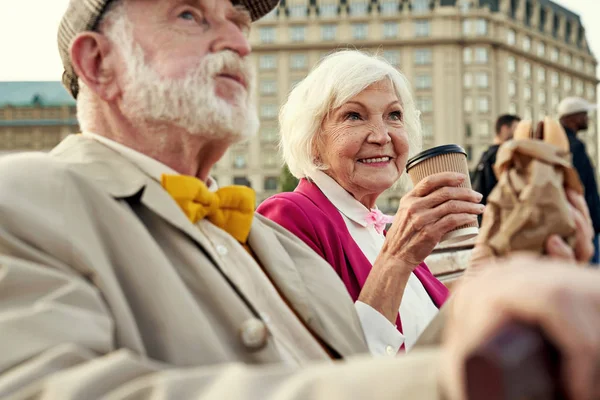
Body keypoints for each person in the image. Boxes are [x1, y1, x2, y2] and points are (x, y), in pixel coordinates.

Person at [0, 1, 597, 399]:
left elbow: (354, 366)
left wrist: (506, 289)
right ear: (98, 63)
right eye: (191, 14)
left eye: (237, 19)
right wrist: (447, 380)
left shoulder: (270, 240)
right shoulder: (24, 200)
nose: (236, 39)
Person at [257, 51, 592, 351]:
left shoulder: (390, 227)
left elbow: (450, 345)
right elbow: (322, 366)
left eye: (394, 115)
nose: (382, 135)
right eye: (354, 116)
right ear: (313, 140)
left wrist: (519, 267)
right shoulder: (288, 214)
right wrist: (397, 258)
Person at [559, 97, 600, 264]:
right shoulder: (574, 146)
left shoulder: (561, 142)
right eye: (584, 115)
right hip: (585, 226)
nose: (587, 118)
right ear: (571, 118)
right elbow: (579, 189)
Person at [471, 114, 521, 213]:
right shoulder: (503, 154)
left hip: (483, 214)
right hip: (498, 214)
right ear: (504, 129)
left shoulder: (487, 154)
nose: (518, 133)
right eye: (516, 128)